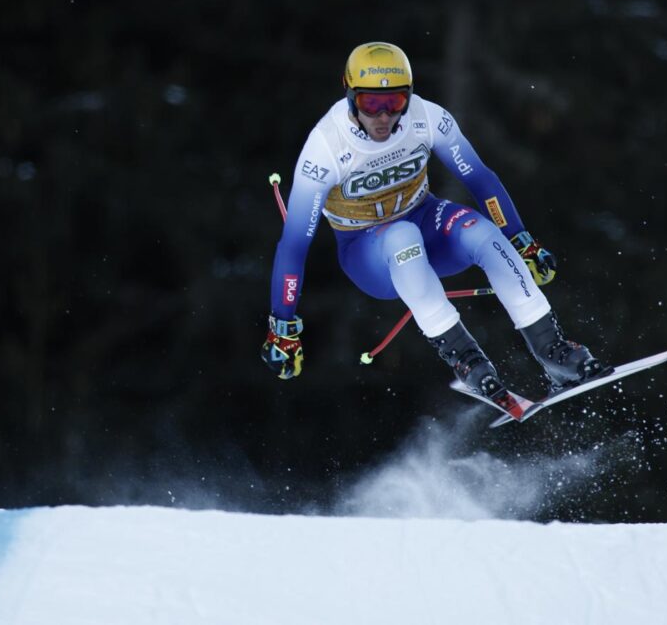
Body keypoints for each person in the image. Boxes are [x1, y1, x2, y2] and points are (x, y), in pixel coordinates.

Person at [260, 41, 608, 404]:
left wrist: (521, 239)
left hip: (425, 217)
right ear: (349, 95)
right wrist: (282, 326)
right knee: (401, 235)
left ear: (408, 97)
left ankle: (553, 351)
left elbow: (478, 177)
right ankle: (466, 359)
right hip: (367, 252)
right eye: (370, 104)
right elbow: (295, 243)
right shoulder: (325, 147)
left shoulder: (426, 118)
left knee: (481, 232)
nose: (383, 118)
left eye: (394, 103)